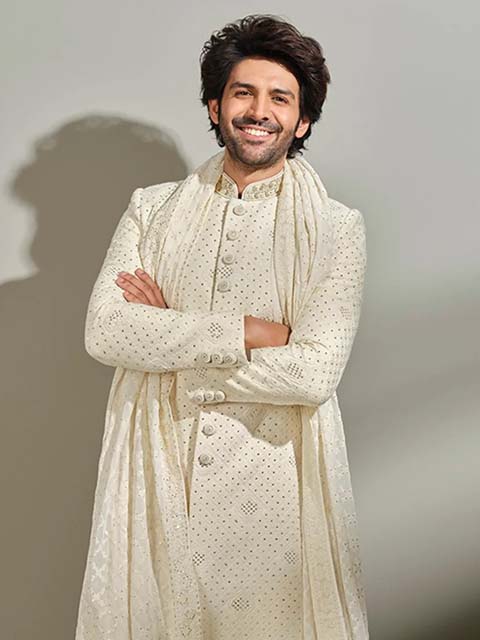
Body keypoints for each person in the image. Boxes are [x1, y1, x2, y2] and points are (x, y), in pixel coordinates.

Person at [75, 13, 369, 640]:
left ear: (303, 120)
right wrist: (247, 331)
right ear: (215, 106)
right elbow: (105, 330)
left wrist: (168, 339)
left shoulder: (336, 229)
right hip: (159, 471)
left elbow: (315, 372)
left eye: (280, 98)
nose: (259, 111)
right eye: (243, 93)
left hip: (275, 489)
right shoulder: (153, 209)